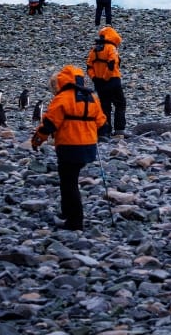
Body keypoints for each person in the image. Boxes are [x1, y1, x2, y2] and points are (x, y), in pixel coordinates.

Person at [30, 64, 106, 231]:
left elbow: (49, 124)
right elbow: (102, 124)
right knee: (70, 179)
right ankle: (66, 213)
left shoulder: (63, 98)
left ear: (63, 80)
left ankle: (74, 221)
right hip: (88, 147)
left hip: (69, 146)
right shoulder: (92, 97)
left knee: (68, 182)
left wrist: (37, 140)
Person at [86, 25, 126, 138]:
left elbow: (89, 66)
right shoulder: (111, 48)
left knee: (105, 105)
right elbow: (112, 64)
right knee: (120, 103)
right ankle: (119, 130)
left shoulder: (94, 49)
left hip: (99, 83)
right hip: (112, 80)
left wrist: (95, 78)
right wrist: (106, 77)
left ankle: (106, 130)